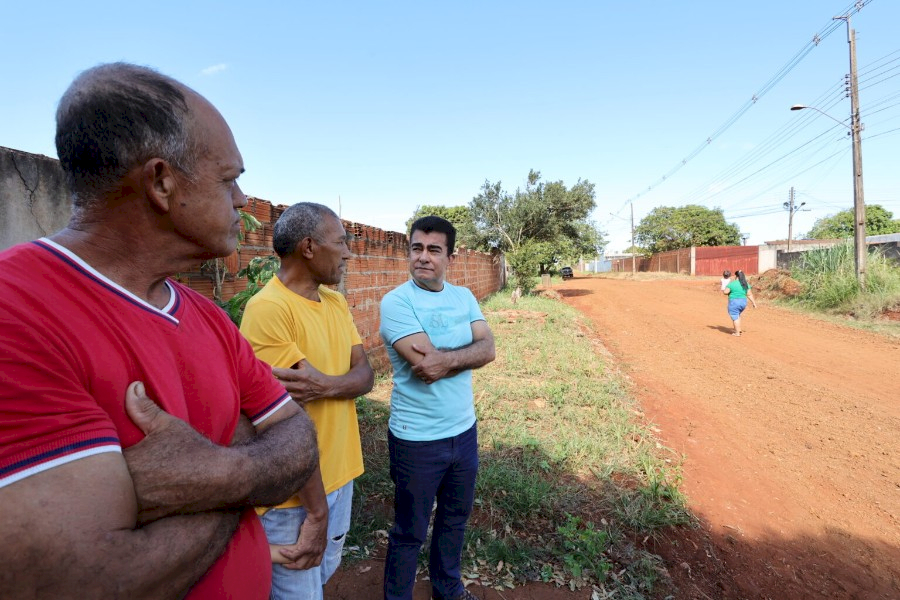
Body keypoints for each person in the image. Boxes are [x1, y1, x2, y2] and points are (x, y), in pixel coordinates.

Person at [0, 63, 323, 599]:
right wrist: (245, 465)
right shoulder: (18, 310)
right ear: (161, 181)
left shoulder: (205, 314)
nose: (242, 199)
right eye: (228, 179)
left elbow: (299, 440)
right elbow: (87, 582)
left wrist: (211, 476)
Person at [240, 202, 375, 599]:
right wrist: (316, 512)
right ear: (309, 247)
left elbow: (365, 375)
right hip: (295, 497)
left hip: (341, 474)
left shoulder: (333, 302)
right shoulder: (268, 310)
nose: (348, 252)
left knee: (325, 572)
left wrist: (325, 386)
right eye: (341, 242)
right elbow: (284, 423)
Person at [379, 216, 496, 600]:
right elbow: (427, 367)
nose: (423, 257)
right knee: (409, 530)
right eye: (416, 248)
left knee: (454, 520)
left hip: (464, 432)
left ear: (450, 256)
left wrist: (449, 358)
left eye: (433, 250)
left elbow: (488, 349)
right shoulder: (397, 302)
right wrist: (465, 354)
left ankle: (448, 588)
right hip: (417, 440)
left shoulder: (464, 297)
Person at [723, 269, 758, 336]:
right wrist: (754, 303)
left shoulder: (732, 284)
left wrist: (726, 288)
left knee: (734, 315)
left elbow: (725, 292)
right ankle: (738, 329)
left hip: (734, 302)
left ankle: (737, 333)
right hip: (743, 302)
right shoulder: (745, 284)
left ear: (736, 276)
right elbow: (749, 294)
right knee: (737, 315)